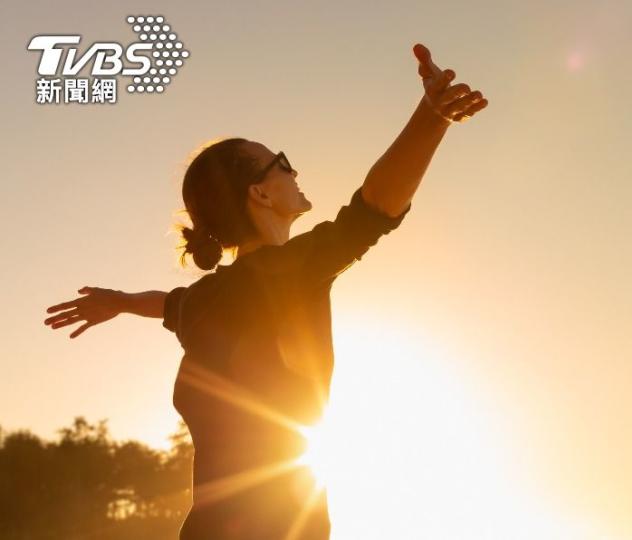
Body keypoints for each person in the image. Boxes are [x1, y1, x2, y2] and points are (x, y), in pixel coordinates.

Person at [43, 43, 488, 540]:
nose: (293, 171)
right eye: (280, 162)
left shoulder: (206, 299)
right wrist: (431, 117)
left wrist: (122, 302)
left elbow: (168, 303)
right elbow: (372, 210)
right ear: (259, 193)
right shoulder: (285, 274)